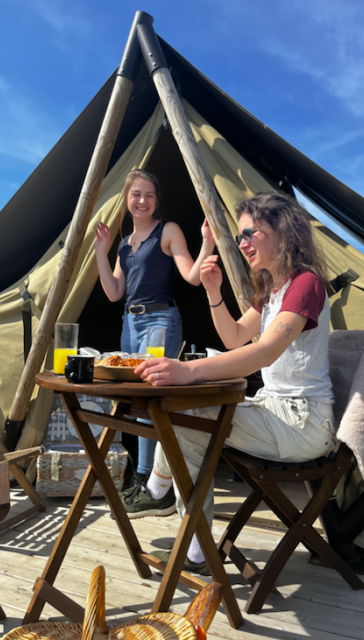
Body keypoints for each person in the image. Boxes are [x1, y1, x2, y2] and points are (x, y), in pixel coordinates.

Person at [120, 190, 336, 575]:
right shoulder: (273, 290)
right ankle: (189, 534)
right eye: (239, 237)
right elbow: (235, 338)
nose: (242, 243)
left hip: (302, 423)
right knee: (185, 417)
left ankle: (161, 495)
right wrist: (214, 293)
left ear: (281, 230)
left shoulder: (306, 283)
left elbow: (264, 351)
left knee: (187, 416)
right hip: (275, 413)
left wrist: (189, 371)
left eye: (250, 233)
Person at [94, 169, 215, 487]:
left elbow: (191, 276)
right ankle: (149, 474)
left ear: (157, 199)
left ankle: (147, 478)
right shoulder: (124, 244)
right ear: (127, 198)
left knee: (150, 397)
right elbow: (114, 293)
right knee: (136, 398)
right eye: (136, 194)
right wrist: (100, 251)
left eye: (149, 194)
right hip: (129, 324)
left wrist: (207, 244)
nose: (142, 200)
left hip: (161, 320)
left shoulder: (167, 230)